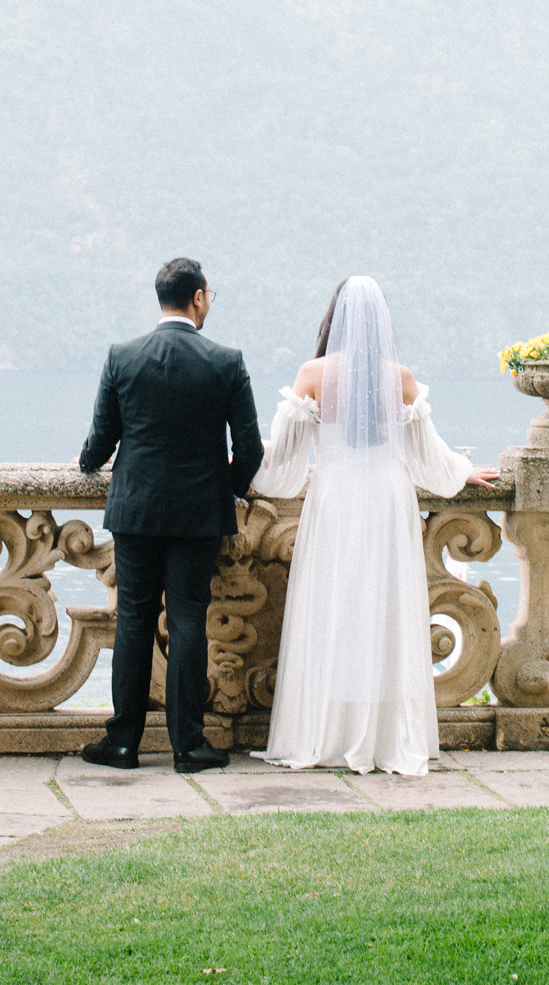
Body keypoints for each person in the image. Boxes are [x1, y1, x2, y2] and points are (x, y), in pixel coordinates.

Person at [249, 276, 495, 775]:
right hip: (386, 500)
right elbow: (428, 453)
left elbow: (284, 458)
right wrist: (461, 471)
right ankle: (384, 733)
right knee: (384, 606)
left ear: (334, 319)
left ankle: (326, 730)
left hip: (336, 498)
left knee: (333, 605)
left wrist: (239, 463)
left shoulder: (314, 373)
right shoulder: (399, 378)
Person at [77, 258, 264, 773]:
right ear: (198, 297)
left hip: (134, 509)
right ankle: (188, 745)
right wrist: (222, 489)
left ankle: (122, 743)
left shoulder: (123, 356)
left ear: (162, 298)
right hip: (198, 516)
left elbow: (98, 443)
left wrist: (90, 463)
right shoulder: (226, 361)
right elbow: (248, 450)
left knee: (132, 622)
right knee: (187, 624)